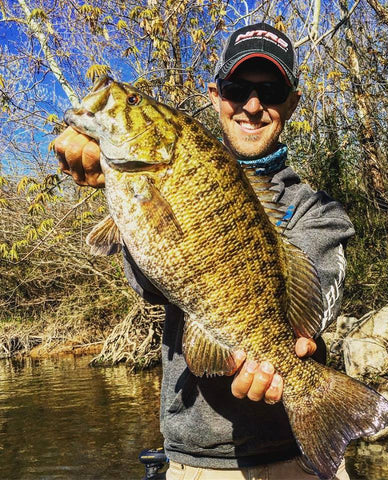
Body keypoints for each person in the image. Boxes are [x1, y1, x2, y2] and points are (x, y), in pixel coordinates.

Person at [55, 23, 354, 480]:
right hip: (192, 461)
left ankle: (322, 405)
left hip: (296, 457)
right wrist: (111, 176)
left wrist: (291, 349)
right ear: (216, 94)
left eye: (270, 91)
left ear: (291, 102)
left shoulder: (321, 213)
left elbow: (309, 311)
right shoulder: (172, 167)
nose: (253, 106)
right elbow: (151, 284)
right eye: (238, 88)